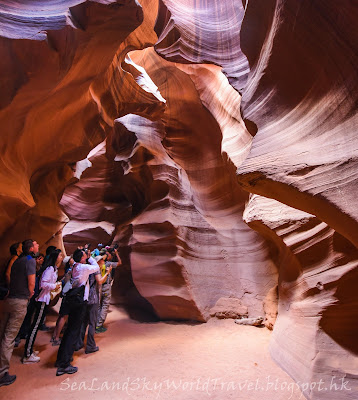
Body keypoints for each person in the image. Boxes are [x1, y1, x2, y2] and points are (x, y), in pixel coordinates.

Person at [0, 239, 38, 387]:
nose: (38, 246)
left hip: (9, 300)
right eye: (36, 244)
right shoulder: (30, 260)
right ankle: (2, 373)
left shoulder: (16, 260)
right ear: (31, 248)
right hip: (19, 301)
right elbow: (31, 283)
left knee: (2, 333)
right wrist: (30, 294)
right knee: (9, 338)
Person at [55, 248, 99, 376]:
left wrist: (85, 255)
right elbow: (95, 267)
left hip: (73, 300)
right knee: (73, 332)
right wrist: (90, 257)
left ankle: (61, 359)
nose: (86, 256)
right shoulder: (83, 268)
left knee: (69, 331)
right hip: (79, 303)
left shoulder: (75, 265)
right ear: (82, 258)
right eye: (85, 255)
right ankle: (64, 365)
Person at [22, 249, 63, 364]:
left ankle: (29, 350)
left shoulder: (54, 269)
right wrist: (55, 285)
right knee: (35, 326)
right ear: (55, 257)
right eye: (60, 255)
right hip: (41, 300)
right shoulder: (50, 269)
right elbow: (43, 284)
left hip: (44, 300)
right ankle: (27, 355)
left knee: (35, 325)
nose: (61, 256)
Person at [75, 256, 112, 354]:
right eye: (102, 260)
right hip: (93, 298)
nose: (103, 262)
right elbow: (99, 281)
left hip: (85, 298)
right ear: (98, 262)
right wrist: (107, 273)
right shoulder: (95, 270)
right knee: (92, 323)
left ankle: (79, 343)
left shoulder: (86, 269)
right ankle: (90, 346)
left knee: (84, 321)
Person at [96, 248, 122, 333]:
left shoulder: (97, 265)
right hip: (106, 287)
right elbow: (119, 263)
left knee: (100, 305)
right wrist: (117, 253)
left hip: (99, 287)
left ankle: (96, 323)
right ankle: (99, 325)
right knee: (105, 305)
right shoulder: (108, 264)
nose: (110, 255)